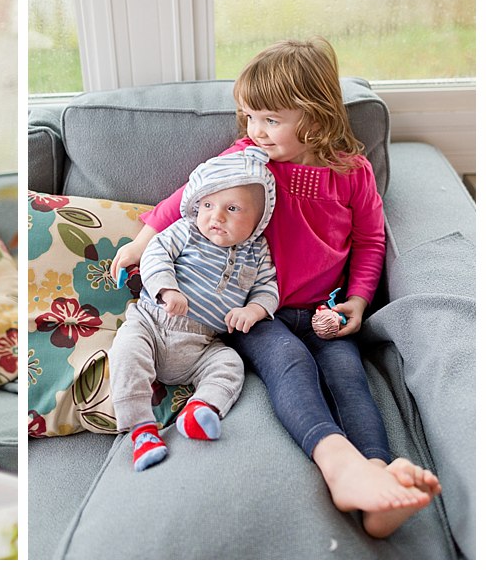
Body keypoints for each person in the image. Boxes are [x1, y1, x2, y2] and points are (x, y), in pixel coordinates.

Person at [110, 38, 441, 537]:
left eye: (269, 119)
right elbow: (186, 196)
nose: (254, 131)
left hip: (324, 309)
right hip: (254, 311)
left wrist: (357, 299)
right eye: (248, 117)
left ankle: (377, 473)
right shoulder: (247, 160)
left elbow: (371, 239)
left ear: (314, 115)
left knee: (348, 377)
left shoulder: (352, 174)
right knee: (291, 366)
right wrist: (141, 242)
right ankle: (338, 465)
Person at [110, 147, 279, 471]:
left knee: (230, 364)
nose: (216, 217)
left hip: (204, 344)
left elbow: (267, 288)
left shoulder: (257, 252)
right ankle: (141, 430)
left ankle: (199, 410)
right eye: (207, 205)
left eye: (232, 208)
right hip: (152, 323)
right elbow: (154, 254)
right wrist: (167, 289)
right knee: (126, 351)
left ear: (259, 220)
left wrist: (254, 311)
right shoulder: (186, 230)